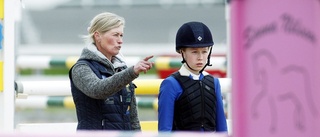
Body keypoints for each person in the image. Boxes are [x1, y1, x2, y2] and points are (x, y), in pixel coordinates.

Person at [69, 12, 154, 130]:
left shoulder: (122, 69)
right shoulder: (81, 68)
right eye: (115, 35)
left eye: (121, 35)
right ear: (97, 36)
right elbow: (97, 90)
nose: (120, 41)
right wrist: (132, 72)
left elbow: (133, 118)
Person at [158, 21, 228, 132]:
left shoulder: (214, 82)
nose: (200, 57)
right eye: (194, 52)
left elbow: (222, 127)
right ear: (182, 52)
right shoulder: (171, 84)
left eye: (204, 52)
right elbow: (164, 130)